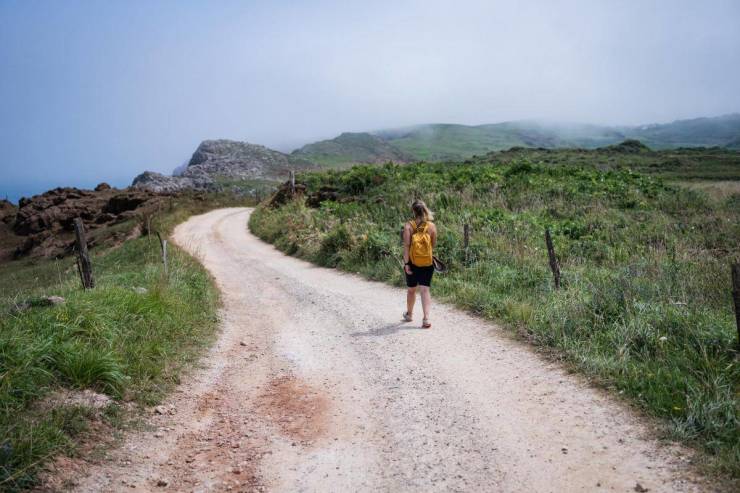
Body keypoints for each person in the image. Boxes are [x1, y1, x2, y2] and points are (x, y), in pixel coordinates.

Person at [402, 199, 437, 329]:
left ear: (413, 211)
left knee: (411, 289)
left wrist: (407, 264)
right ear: (425, 210)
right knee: (425, 290)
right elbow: (433, 245)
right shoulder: (431, 226)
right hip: (427, 262)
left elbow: (406, 247)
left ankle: (409, 314)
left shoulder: (408, 226)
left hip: (412, 262)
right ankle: (426, 319)